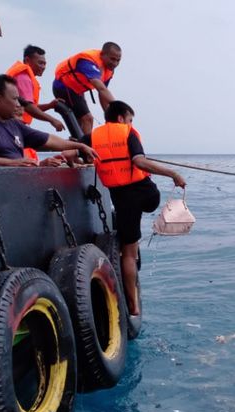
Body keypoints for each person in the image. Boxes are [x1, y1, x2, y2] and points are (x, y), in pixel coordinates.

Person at [82, 100, 186, 320]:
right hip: (143, 194)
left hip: (120, 198)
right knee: (151, 202)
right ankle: (137, 237)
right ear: (121, 118)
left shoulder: (93, 137)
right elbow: (139, 161)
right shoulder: (128, 134)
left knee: (128, 253)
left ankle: (133, 306)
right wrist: (173, 174)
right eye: (130, 119)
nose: (130, 123)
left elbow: (75, 152)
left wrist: (61, 159)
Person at [0, 74, 97, 167]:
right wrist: (11, 163)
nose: (18, 104)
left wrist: (80, 146)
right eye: (15, 99)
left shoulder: (14, 124)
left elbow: (49, 140)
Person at [53, 43, 122, 135]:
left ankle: (82, 143)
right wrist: (119, 109)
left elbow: (103, 94)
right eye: (112, 59)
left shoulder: (109, 70)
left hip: (77, 91)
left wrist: (109, 117)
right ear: (102, 54)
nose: (115, 63)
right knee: (87, 118)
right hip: (63, 87)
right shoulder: (88, 61)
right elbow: (101, 88)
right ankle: (87, 147)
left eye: (118, 60)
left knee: (84, 122)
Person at [6, 45, 64, 133]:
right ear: (27, 60)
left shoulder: (23, 76)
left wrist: (49, 105)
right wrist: (52, 120)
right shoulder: (23, 77)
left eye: (44, 64)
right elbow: (29, 107)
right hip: (13, 127)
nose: (43, 67)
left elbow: (29, 106)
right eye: (40, 63)